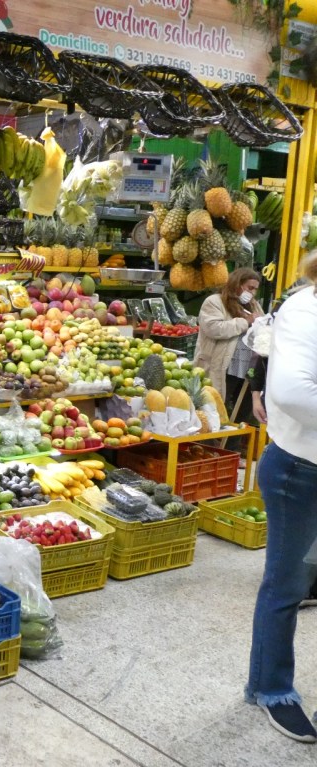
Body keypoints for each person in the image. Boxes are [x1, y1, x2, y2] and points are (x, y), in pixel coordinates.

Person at [246, 253, 317, 742]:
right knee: (285, 584)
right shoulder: (306, 310)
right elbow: (291, 393)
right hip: (299, 470)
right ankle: (271, 688)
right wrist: (255, 386)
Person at [193, 268, 262, 413]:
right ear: (237, 283)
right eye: (250, 288)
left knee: (242, 411)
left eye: (255, 289)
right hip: (223, 366)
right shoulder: (214, 302)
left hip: (246, 369)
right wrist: (245, 322)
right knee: (214, 409)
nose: (252, 293)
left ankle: (236, 436)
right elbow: (214, 328)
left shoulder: (253, 305)